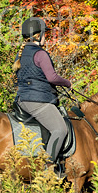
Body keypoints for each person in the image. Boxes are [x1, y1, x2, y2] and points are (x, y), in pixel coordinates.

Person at [13, 17, 71, 164]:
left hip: (22, 100)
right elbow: (52, 77)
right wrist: (68, 83)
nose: (47, 37)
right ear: (38, 36)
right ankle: (48, 169)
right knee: (60, 130)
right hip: (38, 101)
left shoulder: (19, 54)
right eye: (45, 34)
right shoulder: (41, 54)